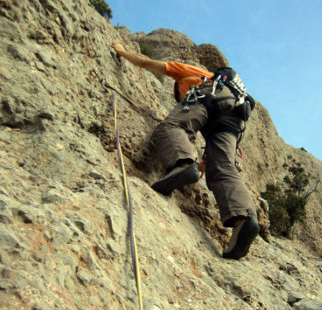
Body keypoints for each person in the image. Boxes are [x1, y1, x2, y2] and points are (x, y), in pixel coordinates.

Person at [111, 42, 259, 259]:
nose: (181, 99)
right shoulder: (236, 93)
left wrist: (122, 52)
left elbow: (149, 63)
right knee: (225, 168)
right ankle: (243, 220)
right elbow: (213, 162)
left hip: (211, 97)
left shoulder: (199, 75)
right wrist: (197, 168)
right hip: (235, 119)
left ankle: (181, 163)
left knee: (172, 126)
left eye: (180, 96)